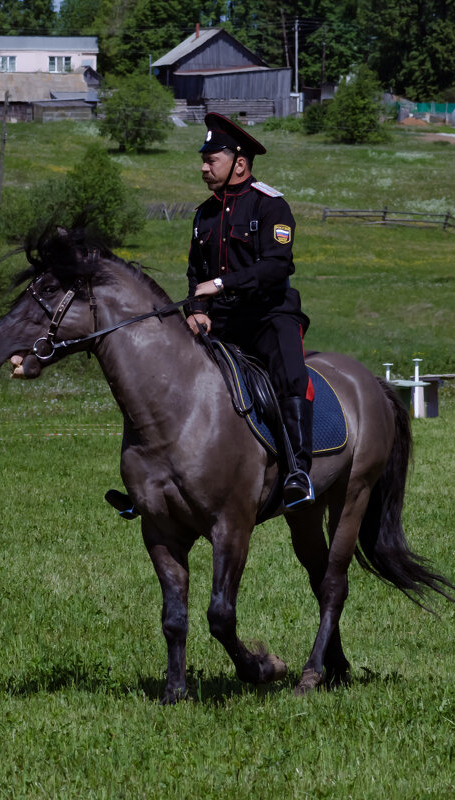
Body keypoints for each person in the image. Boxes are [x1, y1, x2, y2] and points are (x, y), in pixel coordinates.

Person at [185, 113, 314, 508]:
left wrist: (222, 285)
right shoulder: (204, 214)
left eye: (212, 161)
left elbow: (277, 266)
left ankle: (299, 472)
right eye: (203, 160)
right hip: (220, 320)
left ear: (239, 163)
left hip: (268, 315)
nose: (203, 168)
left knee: (291, 375)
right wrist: (196, 309)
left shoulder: (271, 206)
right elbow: (196, 274)